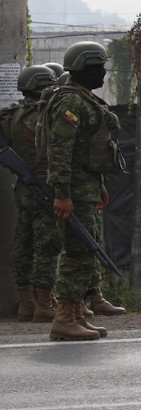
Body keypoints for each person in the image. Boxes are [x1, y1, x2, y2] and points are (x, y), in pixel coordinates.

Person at [44, 42, 122, 341]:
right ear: (85, 68)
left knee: (85, 250)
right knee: (77, 253)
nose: (103, 71)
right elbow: (61, 151)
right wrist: (62, 193)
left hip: (85, 186)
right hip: (73, 190)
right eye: (99, 66)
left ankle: (74, 314)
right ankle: (64, 317)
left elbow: (87, 150)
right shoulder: (71, 103)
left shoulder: (83, 99)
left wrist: (99, 183)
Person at [0, 65, 60, 323]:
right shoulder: (42, 116)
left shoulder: (11, 115)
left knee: (23, 243)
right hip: (45, 185)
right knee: (47, 245)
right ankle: (44, 304)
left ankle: (27, 303)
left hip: (24, 187)